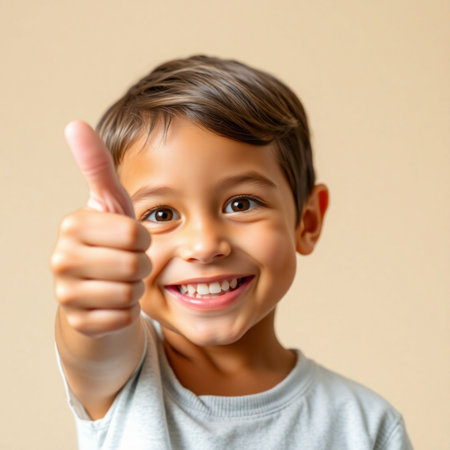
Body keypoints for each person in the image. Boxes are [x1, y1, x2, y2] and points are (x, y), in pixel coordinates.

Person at [52, 55, 412, 449]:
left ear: (307, 222)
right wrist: (91, 293)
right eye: (161, 214)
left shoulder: (366, 424)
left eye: (241, 204)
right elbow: (93, 339)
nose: (205, 246)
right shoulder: (121, 376)